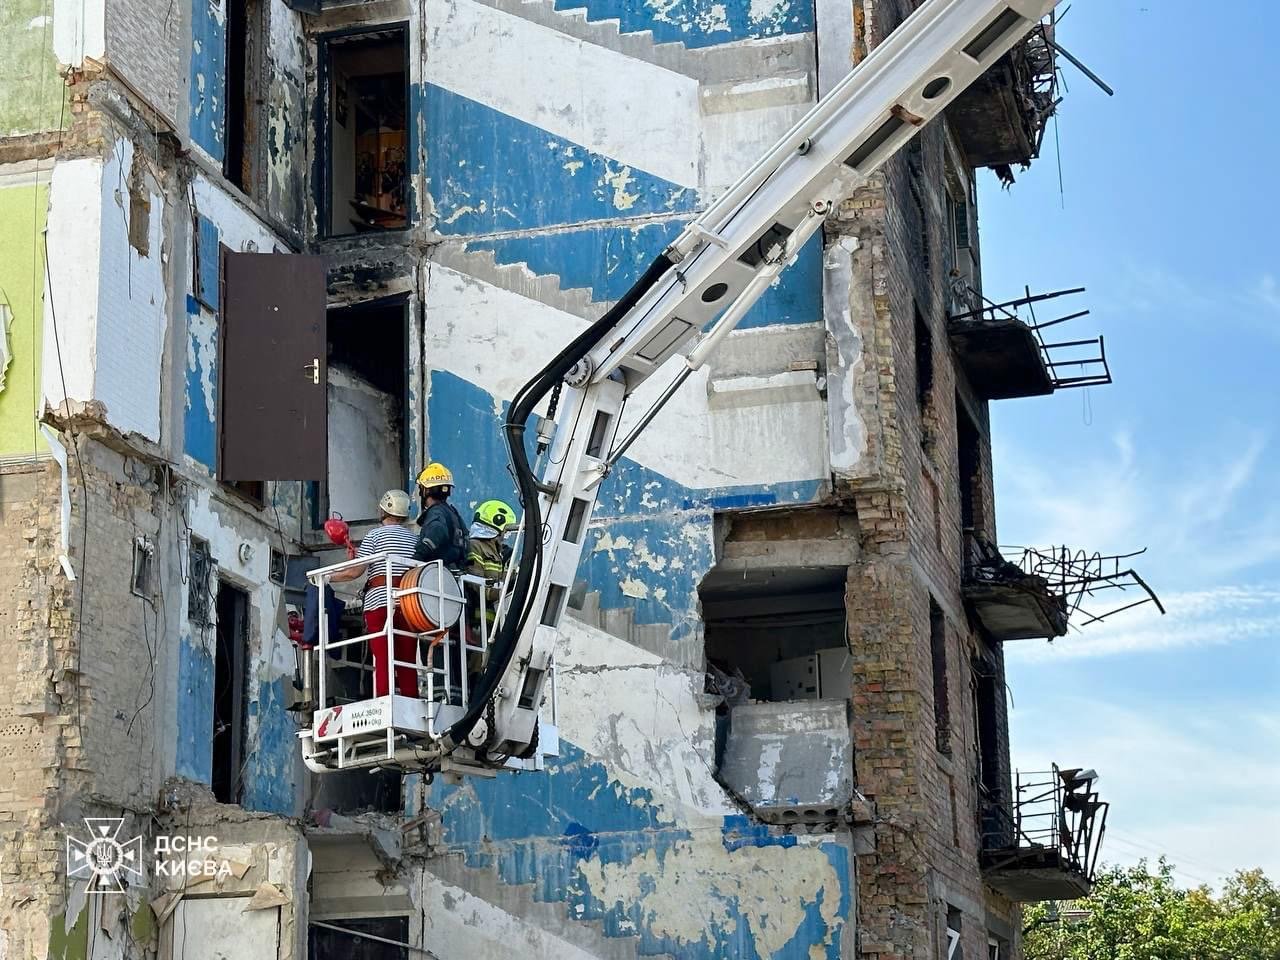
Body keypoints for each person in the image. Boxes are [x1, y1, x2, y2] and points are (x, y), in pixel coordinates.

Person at [329, 489, 421, 698]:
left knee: (383, 657)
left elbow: (354, 572)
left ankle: (384, 698)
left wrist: (327, 577)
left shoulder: (374, 536)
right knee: (407, 659)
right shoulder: (414, 539)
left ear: (385, 509)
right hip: (408, 604)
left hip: (379, 603)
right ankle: (410, 698)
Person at [466, 499, 516, 627]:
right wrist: (511, 580)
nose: (506, 536)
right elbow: (481, 589)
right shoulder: (475, 546)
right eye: (506, 531)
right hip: (478, 622)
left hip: (494, 622)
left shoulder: (500, 553)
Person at [413, 462, 468, 570]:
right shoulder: (454, 514)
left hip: (437, 574)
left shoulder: (436, 512)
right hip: (452, 574)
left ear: (426, 491)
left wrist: (418, 557)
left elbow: (437, 530)